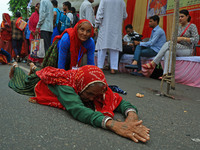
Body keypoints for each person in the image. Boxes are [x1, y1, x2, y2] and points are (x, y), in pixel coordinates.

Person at [8, 63, 150, 143]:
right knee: (22, 81)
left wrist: (132, 117)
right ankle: (17, 67)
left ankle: (35, 67)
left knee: (41, 70)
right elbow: (78, 109)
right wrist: (114, 125)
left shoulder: (97, 86)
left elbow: (119, 101)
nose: (92, 98)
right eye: (89, 94)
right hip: (40, 84)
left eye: (97, 95)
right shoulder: (66, 86)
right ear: (80, 87)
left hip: (62, 74)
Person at [142, 9, 199, 77]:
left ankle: (154, 63)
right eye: (179, 17)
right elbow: (173, 38)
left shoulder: (192, 26)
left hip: (187, 49)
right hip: (177, 47)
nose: (180, 18)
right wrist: (175, 39)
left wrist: (183, 38)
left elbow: (196, 40)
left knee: (168, 43)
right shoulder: (178, 27)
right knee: (168, 52)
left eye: (182, 16)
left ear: (187, 17)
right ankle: (166, 74)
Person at [95, 0, 128, 74]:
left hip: (105, 26)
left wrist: (96, 25)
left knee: (102, 47)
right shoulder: (121, 2)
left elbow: (100, 13)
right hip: (116, 28)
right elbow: (125, 15)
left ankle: (100, 67)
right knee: (114, 48)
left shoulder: (104, 0)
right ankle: (113, 68)